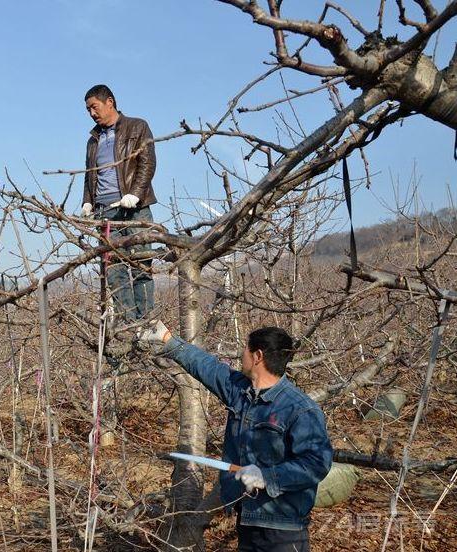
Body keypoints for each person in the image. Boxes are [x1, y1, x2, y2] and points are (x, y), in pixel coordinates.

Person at [140, 321, 332, 551]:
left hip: (283, 529)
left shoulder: (300, 409)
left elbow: (316, 464)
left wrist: (267, 476)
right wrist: (168, 340)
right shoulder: (240, 392)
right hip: (247, 519)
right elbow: (207, 367)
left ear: (258, 356)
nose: (242, 355)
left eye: (246, 350)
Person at [82, 84, 157, 322]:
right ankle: (129, 323)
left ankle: (146, 323)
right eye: (88, 110)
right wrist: (87, 202)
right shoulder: (93, 140)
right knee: (113, 272)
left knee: (141, 266)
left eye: (94, 107)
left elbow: (148, 162)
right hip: (105, 213)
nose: (92, 113)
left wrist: (135, 193)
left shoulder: (137, 127)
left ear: (110, 102)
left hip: (135, 208)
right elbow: (89, 173)